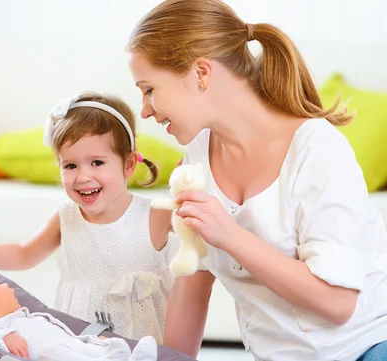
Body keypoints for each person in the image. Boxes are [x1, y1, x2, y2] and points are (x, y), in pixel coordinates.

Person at [126, 0, 387, 360]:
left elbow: (338, 302)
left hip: (366, 348)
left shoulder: (317, 149)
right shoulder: (198, 158)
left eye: (149, 89)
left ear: (201, 73)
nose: (145, 109)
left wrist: (231, 236)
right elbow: (192, 288)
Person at [0, 92, 176, 344]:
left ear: (129, 164)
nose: (82, 176)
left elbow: (208, 249)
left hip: (144, 343)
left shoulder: (157, 215)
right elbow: (24, 254)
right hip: (80, 340)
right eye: (70, 166)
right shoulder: (66, 217)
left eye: (97, 162)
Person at [0, 273, 158, 361]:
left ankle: (119, 357)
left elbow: (65, 335)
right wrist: (5, 337)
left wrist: (90, 340)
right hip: (49, 356)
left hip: (71, 346)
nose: (4, 284)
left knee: (91, 348)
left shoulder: (28, 317)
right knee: (53, 352)